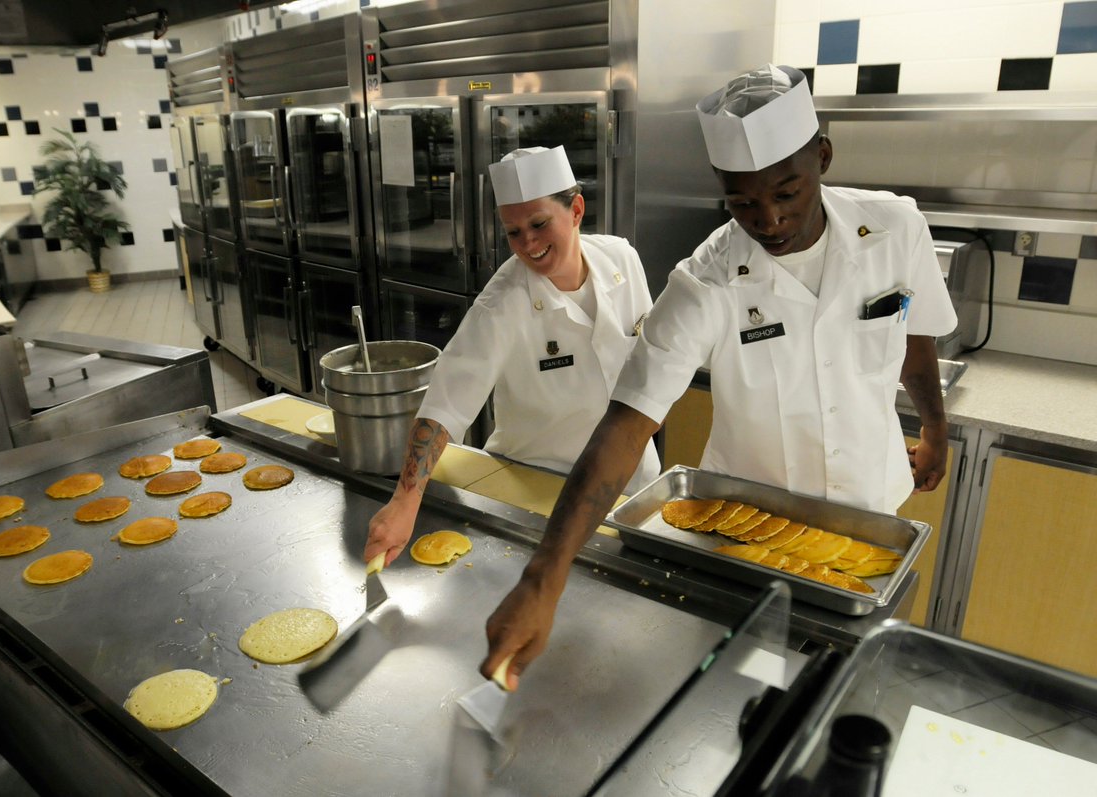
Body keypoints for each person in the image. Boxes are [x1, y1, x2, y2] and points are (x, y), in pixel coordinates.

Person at [479, 65, 958, 690]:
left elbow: (913, 337)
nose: (769, 221)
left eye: (787, 193)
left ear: (823, 156)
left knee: (847, 692)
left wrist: (935, 427)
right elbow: (628, 422)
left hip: (868, 516)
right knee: (741, 693)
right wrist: (543, 579)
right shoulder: (708, 278)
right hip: (744, 536)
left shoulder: (895, 228)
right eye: (743, 203)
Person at [364, 145, 660, 567]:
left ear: (576, 210)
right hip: (537, 488)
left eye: (539, 224)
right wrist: (404, 503)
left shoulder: (622, 260)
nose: (528, 243)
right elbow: (445, 403)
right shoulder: (502, 303)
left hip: (634, 482)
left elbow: (649, 354)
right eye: (514, 232)